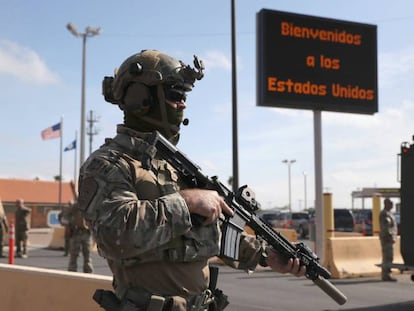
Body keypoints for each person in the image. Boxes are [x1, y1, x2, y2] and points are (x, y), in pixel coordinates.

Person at [78, 49, 305, 311]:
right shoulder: (109, 163)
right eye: (175, 95)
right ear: (142, 99)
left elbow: (210, 234)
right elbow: (113, 234)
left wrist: (264, 255)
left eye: (184, 97)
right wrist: (186, 202)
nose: (183, 104)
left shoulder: (172, 167)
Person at [67, 200, 93, 273]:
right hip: (76, 233)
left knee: (87, 255)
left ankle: (88, 272)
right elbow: (66, 216)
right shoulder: (75, 206)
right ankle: (72, 273)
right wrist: (71, 224)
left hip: (86, 233)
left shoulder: (90, 205)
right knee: (74, 255)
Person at [379, 198, 398, 282]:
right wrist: (389, 237)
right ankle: (386, 275)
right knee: (387, 257)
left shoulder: (389, 213)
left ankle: (387, 274)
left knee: (389, 257)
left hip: (390, 238)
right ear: (386, 204)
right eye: (390, 203)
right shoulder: (384, 214)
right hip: (387, 238)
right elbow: (385, 227)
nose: (392, 205)